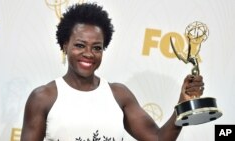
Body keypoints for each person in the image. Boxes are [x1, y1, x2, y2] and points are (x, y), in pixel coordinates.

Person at [20, 2, 204, 141]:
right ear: (64, 45)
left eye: (97, 48)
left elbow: (158, 138)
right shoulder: (43, 97)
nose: (88, 54)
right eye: (79, 45)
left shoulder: (119, 94)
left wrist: (183, 105)